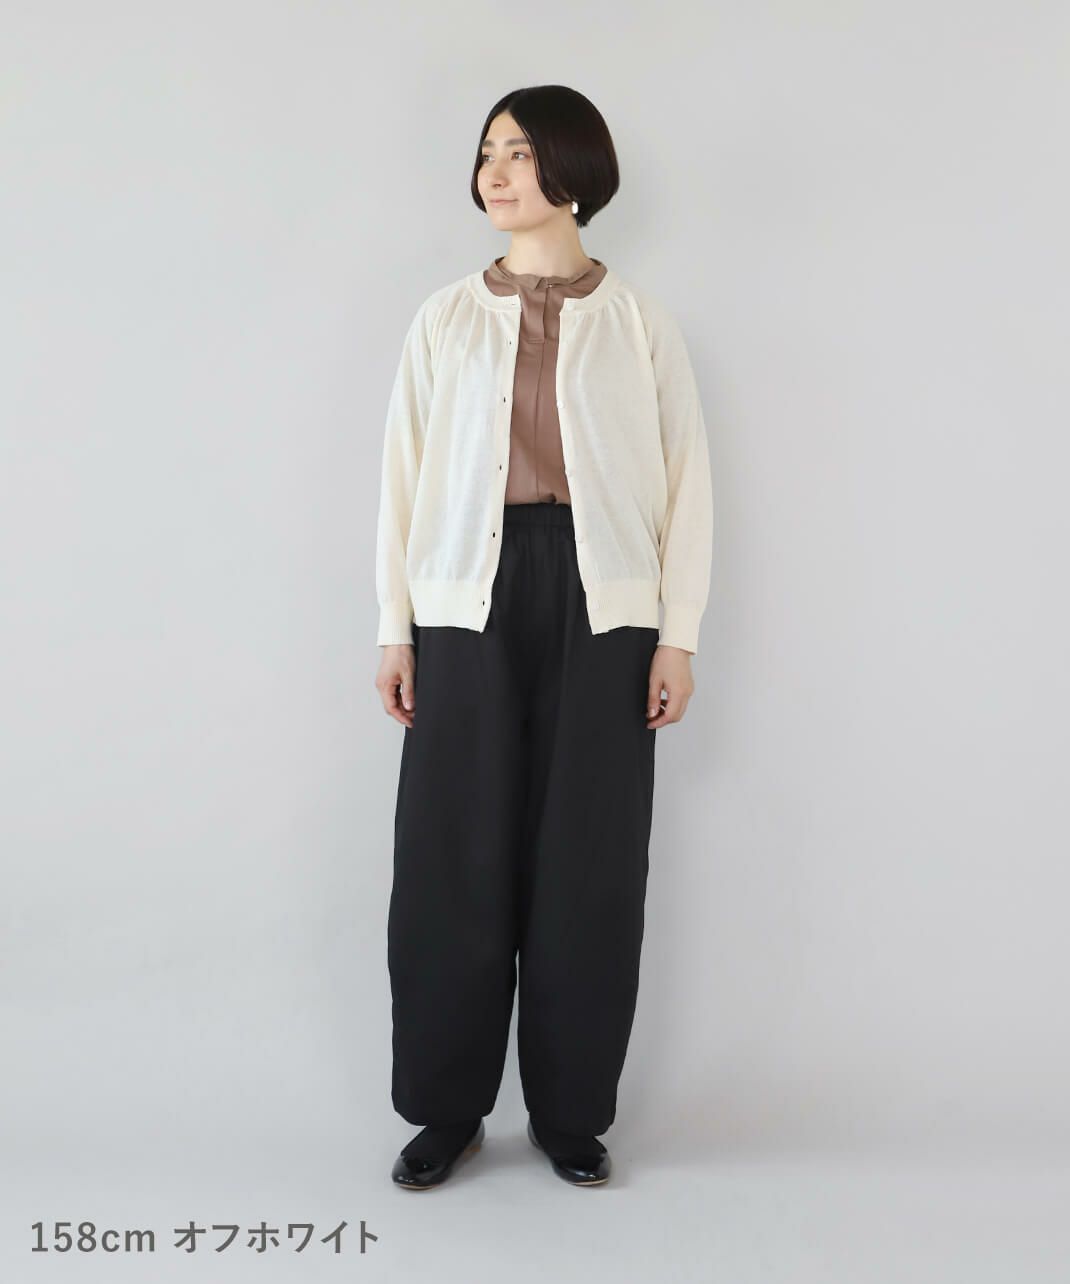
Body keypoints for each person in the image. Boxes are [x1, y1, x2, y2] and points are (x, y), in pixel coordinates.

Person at [374, 84, 714, 1190]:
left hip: (604, 603)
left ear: (573, 169)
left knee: (590, 862)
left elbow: (686, 481)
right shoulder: (443, 317)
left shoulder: (639, 321)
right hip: (462, 598)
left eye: (519, 152)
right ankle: (446, 1110)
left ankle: (571, 1116)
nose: (495, 171)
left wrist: (677, 635)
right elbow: (402, 478)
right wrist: (394, 628)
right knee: (451, 857)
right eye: (487, 151)